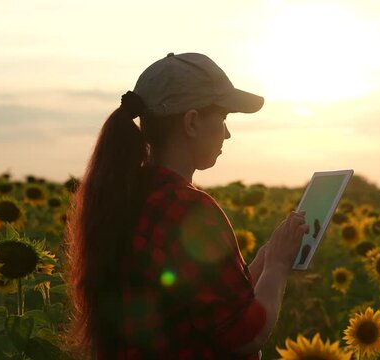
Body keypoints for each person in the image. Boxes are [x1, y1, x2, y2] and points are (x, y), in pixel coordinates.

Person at [66, 52, 309, 359]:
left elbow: (204, 300)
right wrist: (277, 267)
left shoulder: (127, 196)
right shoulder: (188, 208)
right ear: (192, 122)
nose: (228, 133)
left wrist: (268, 255)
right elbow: (244, 335)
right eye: (222, 118)